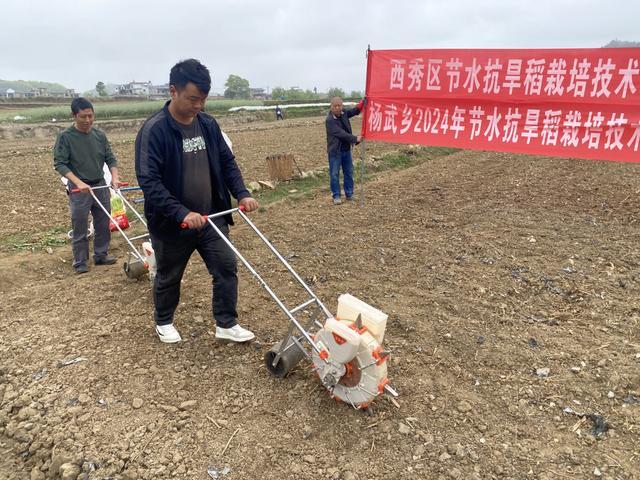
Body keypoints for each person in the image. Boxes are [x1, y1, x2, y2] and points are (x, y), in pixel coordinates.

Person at [135, 58, 259, 344]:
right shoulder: (155, 130)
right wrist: (181, 212)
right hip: (173, 223)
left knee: (226, 267)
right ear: (173, 91)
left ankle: (226, 323)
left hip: (211, 217)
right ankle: (164, 320)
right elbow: (149, 181)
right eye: (193, 99)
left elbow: (227, 162)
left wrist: (242, 192)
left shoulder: (207, 124)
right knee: (169, 275)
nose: (198, 106)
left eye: (203, 99)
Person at [53, 97, 120, 274]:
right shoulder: (66, 137)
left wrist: (115, 178)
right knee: (80, 224)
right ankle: (80, 261)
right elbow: (60, 164)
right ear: (74, 116)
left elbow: (110, 158)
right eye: (83, 117)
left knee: (103, 222)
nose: (88, 120)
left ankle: (101, 255)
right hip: (79, 189)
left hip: (100, 185)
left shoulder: (99, 135)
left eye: (91, 116)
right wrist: (78, 182)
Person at [325, 97, 364, 204]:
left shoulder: (344, 113)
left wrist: (363, 103)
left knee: (348, 172)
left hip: (346, 150)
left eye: (339, 106)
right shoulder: (329, 121)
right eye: (335, 106)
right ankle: (336, 196)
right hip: (335, 152)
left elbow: (354, 111)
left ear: (342, 106)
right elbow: (341, 134)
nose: (337, 108)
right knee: (334, 174)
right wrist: (355, 139)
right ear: (331, 107)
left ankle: (349, 194)